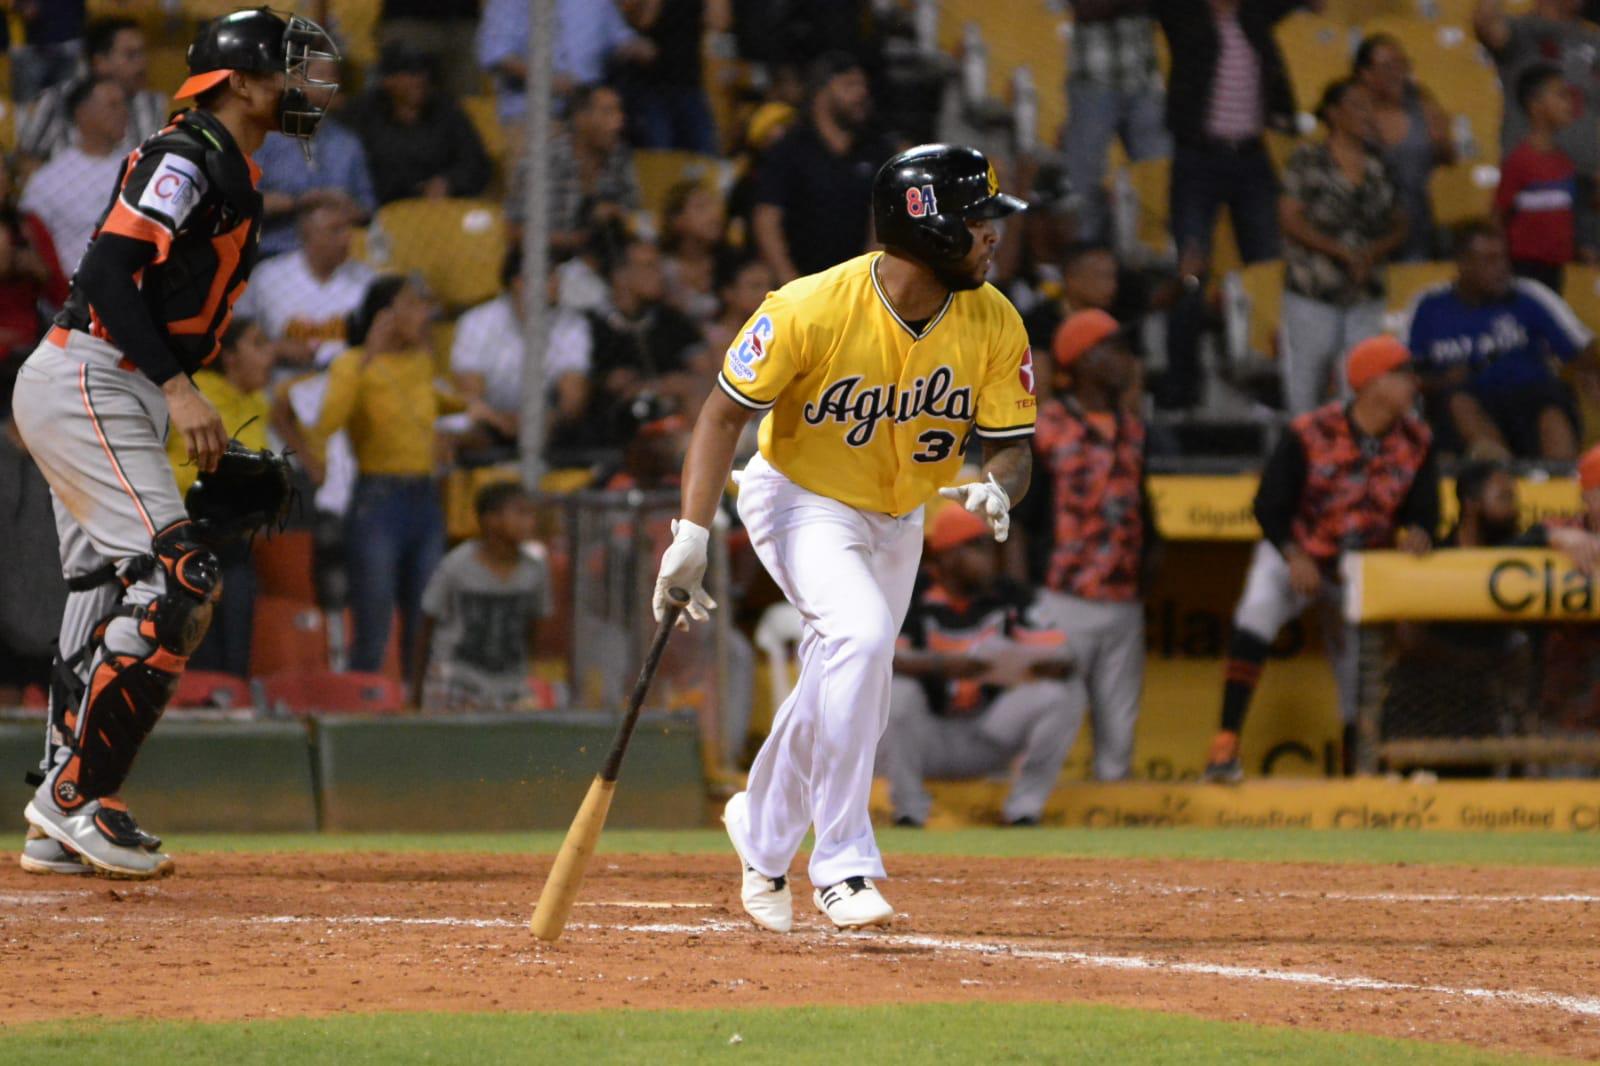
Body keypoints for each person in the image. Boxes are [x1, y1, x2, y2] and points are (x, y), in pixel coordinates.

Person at [653, 144, 1034, 931]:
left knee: (846, 672)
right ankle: (843, 863)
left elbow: (1011, 444)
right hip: (801, 497)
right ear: (925, 227)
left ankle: (762, 833)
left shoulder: (995, 318)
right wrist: (691, 533)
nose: (993, 233)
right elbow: (722, 415)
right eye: (977, 219)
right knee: (861, 639)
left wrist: (999, 485)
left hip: (900, 514)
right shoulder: (810, 306)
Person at [11, 8, 339, 880]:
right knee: (177, 578)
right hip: (92, 375)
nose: (303, 85)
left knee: (102, 592)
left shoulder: (226, 163)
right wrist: (179, 389)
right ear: (240, 82)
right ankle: (77, 798)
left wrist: (177, 394)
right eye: (286, 68)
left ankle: (55, 814)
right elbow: (108, 272)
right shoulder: (186, 155)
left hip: (109, 383)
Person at [1204, 336, 1438, 782]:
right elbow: (1268, 505)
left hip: (1358, 569)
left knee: (1357, 677)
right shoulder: (1311, 431)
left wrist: (1420, 533)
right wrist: (1294, 554)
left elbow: (1426, 512)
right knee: (1256, 612)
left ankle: (1359, 773)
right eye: (1402, 373)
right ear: (1372, 382)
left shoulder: (1418, 439)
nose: (1413, 382)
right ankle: (1224, 746)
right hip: (1297, 551)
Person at [1150, 0, 1318, 409]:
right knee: (1191, 273)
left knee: (1270, 270)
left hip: (1252, 158)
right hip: (1197, 158)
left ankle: (1282, 384)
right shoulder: (1185, 15)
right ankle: (1180, 391)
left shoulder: (1254, 15)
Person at [305, 276, 475, 675]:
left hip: (425, 499)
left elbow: (438, 402)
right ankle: (364, 698)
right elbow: (327, 422)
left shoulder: (420, 362)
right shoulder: (352, 364)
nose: (425, 314)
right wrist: (368, 356)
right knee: (374, 623)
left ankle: (417, 704)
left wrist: (474, 408)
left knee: (425, 621)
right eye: (413, 305)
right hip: (379, 502)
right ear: (384, 315)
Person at [879, 504, 1080, 827]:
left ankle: (1023, 812)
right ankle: (909, 813)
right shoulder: (913, 595)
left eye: (988, 547)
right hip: (929, 736)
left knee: (1060, 694)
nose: (988, 558)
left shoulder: (1009, 594)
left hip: (989, 732)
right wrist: (943, 666)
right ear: (947, 556)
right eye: (977, 547)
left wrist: (1030, 664)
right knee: (896, 693)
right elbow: (886, 658)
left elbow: (1064, 657)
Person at [1018, 311, 1153, 782]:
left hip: (1123, 599)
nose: (1124, 359)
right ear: (1082, 359)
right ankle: (1024, 813)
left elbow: (1144, 510)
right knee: (1046, 718)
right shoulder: (1047, 428)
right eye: (1112, 348)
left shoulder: (1133, 428)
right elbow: (1019, 521)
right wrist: (1023, 601)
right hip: (1062, 595)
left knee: (1119, 732)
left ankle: (1110, 823)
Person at [1401, 222, 1594, 460]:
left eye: (1503, 258)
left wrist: (1587, 372)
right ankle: (1496, 469)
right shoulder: (1428, 306)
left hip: (1530, 399)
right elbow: (1403, 375)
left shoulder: (1528, 295)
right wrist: (1441, 381)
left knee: (1552, 404)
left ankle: (1561, 475)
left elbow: (1583, 350)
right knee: (1459, 402)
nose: (1501, 268)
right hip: (1466, 406)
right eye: (1489, 260)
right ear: (1463, 264)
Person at [1277, 77, 1406, 415]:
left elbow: (1401, 221)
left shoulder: (1380, 163)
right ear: (1333, 113)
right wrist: (1341, 253)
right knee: (1307, 382)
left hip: (1366, 289)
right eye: (1357, 107)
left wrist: (1372, 253)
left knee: (1363, 380)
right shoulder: (1308, 159)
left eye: (1369, 107)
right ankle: (1303, 443)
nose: (1367, 114)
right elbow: (1289, 218)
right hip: (1314, 286)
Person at [164, 319, 275, 679]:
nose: (270, 355)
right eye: (258, 344)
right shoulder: (194, 396)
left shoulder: (258, 403)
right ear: (229, 356)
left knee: (237, 654)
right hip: (188, 538)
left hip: (234, 545)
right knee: (199, 654)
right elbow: (167, 464)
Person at [752, 52, 892, 284]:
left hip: (854, 287)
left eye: (863, 85)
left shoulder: (876, 151)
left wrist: (864, 281)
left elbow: (880, 222)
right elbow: (767, 219)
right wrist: (790, 282)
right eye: (850, 85)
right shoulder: (788, 150)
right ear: (821, 92)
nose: (862, 93)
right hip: (799, 285)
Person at [413, 481, 552, 713]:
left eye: (531, 514)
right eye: (521, 513)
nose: (529, 522)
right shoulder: (456, 565)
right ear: (491, 519)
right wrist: (417, 689)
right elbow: (428, 625)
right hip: (458, 679)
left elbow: (533, 628)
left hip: (509, 682)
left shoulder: (535, 570)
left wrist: (528, 670)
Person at [1476, 0, 1600, 257]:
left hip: (1587, 183)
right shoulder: (1521, 31)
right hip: (1533, 180)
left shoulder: (1593, 37)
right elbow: (1487, 24)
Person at [451, 246, 594, 449]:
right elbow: (470, 393)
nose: (557, 282)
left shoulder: (571, 324)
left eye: (556, 274)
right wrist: (501, 421)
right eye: (548, 275)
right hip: (491, 421)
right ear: (519, 282)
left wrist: (546, 422)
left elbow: (573, 398)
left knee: (579, 427)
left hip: (549, 425)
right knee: (465, 426)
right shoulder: (477, 322)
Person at [1062, 0, 1171, 244]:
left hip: (1145, 78)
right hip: (1092, 78)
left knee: (1158, 178)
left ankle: (1156, 252)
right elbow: (1085, 9)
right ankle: (1087, 251)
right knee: (1085, 183)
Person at [583, 237, 708, 444]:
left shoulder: (673, 321)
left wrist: (657, 385)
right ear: (620, 275)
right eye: (649, 267)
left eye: (659, 266)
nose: (659, 275)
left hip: (671, 422)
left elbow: (705, 375)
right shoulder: (592, 326)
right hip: (607, 432)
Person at [236, 192, 374, 371]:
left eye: (348, 229)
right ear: (308, 235)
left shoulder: (368, 280)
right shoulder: (267, 277)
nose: (347, 238)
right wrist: (276, 348)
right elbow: (236, 335)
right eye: (335, 230)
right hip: (282, 378)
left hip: (349, 378)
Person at [253, 58, 376, 258]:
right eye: (321, 74)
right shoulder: (263, 138)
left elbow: (368, 209)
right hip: (277, 250)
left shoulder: (348, 143)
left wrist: (345, 205)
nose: (330, 82)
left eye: (333, 75)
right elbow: (243, 204)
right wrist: (298, 202)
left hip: (338, 255)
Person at [342, 43, 490, 206]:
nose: (420, 79)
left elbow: (476, 163)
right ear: (388, 80)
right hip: (380, 207)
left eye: (423, 71)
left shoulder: (447, 111)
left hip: (440, 207)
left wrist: (449, 181)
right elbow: (352, 170)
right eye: (410, 73)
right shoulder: (362, 113)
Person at [1352, 33, 1455, 262]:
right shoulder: (1353, 116)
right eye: (1388, 66)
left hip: (1419, 226)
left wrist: (1441, 140)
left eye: (1402, 64)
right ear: (1366, 74)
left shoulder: (1425, 108)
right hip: (1369, 227)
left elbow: (1449, 161)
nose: (1397, 73)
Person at [506, 84, 640, 253]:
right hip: (548, 260)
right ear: (580, 118)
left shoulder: (620, 157)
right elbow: (514, 231)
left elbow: (634, 214)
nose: (618, 123)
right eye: (608, 112)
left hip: (603, 258)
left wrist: (616, 214)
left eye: (619, 112)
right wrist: (571, 241)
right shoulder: (541, 162)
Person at [17, 18, 167, 164]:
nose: (142, 64)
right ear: (100, 62)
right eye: (131, 55)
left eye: (142, 53)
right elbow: (28, 159)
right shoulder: (57, 100)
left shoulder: (153, 104)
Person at [18, 77, 130, 274]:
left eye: (124, 104)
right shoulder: (49, 180)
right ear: (82, 113)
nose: (123, 112)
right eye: (113, 105)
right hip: (71, 288)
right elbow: (29, 240)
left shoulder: (141, 168)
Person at [476, 0, 651, 125]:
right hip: (530, 112)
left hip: (588, 109)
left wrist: (638, 48)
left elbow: (621, 37)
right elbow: (495, 53)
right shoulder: (509, 3)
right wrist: (549, 81)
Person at [1495, 65, 1579, 292]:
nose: (1569, 103)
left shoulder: (1565, 162)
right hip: (1525, 269)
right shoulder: (1519, 161)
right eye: (1561, 95)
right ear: (1535, 105)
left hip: (1557, 269)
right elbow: (1499, 216)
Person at [619, 0, 728, 153]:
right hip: (650, 85)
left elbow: (719, 22)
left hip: (688, 82)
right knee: (659, 150)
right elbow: (645, 20)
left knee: (705, 152)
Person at [660, 180, 729, 325]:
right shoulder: (660, 268)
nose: (714, 215)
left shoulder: (731, 263)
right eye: (701, 207)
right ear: (677, 220)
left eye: (714, 206)